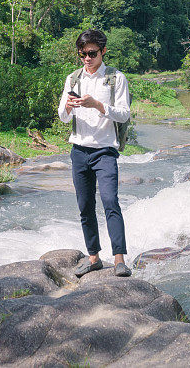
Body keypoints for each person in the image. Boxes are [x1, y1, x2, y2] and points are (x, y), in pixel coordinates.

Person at [58, 29, 132, 277]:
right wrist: (68, 107)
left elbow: (124, 113)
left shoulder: (116, 78)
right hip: (79, 150)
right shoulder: (73, 79)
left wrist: (98, 105)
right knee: (85, 206)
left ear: (103, 52)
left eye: (91, 53)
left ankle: (119, 259)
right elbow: (62, 116)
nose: (86, 59)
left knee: (110, 202)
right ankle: (93, 258)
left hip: (105, 152)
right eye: (82, 54)